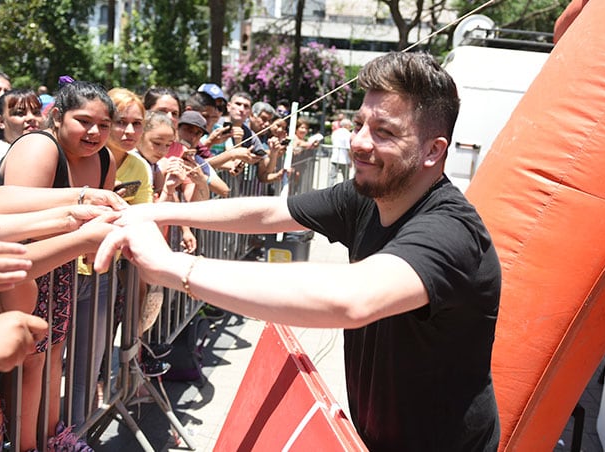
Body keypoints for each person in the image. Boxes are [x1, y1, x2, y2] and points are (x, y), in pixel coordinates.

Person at [95, 52, 501, 450]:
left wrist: (170, 266)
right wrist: (151, 212)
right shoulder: (370, 195)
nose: (359, 142)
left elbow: (352, 299)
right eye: (360, 124)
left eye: (384, 132)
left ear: (433, 151)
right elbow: (271, 212)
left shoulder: (451, 230)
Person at [0, 80, 116, 450]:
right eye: (84, 121)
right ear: (56, 116)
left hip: (59, 270)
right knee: (28, 362)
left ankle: (51, 438)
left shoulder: (103, 157)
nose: (95, 132)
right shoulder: (39, 148)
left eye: (104, 124)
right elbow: (18, 227)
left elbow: (97, 224)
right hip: (15, 268)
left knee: (50, 358)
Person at [328, 117, 352, 186]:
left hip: (335, 157)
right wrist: (351, 160)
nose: (350, 127)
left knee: (332, 177)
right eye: (350, 125)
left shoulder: (335, 133)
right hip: (345, 159)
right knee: (346, 178)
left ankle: (329, 191)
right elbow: (349, 148)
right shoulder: (348, 134)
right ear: (346, 125)